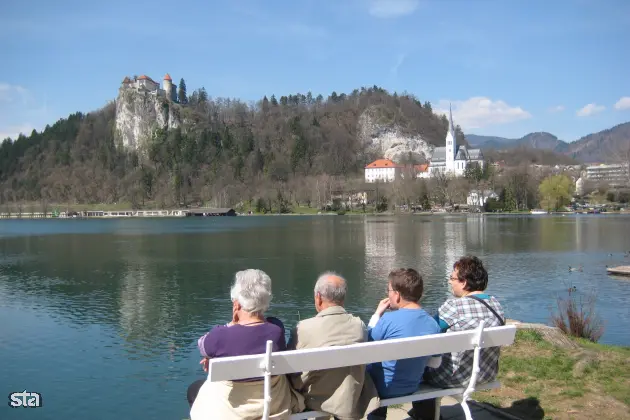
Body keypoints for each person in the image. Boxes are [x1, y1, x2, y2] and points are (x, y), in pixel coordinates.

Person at [188, 269, 304, 420]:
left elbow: (202, 345)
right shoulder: (277, 330)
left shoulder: (221, 335)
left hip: (232, 411)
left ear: (236, 303)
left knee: (193, 389)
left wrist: (232, 323)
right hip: (271, 404)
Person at [408, 256, 506, 420]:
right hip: (486, 373)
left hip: (453, 376)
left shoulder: (454, 306)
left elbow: (427, 333)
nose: (450, 282)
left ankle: (426, 415)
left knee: (417, 367)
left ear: (464, 283)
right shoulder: (496, 305)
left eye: (452, 278)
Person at [287, 272, 380, 420]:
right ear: (343, 298)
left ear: (318, 297)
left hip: (314, 398)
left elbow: (290, 370)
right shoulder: (359, 325)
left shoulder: (303, 328)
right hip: (349, 397)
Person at [365, 268, 441, 420]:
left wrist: (377, 314)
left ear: (397, 295)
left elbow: (367, 346)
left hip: (383, 387)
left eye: (389, 290)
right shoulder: (432, 324)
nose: (388, 294)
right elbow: (435, 363)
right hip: (412, 385)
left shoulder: (387, 320)